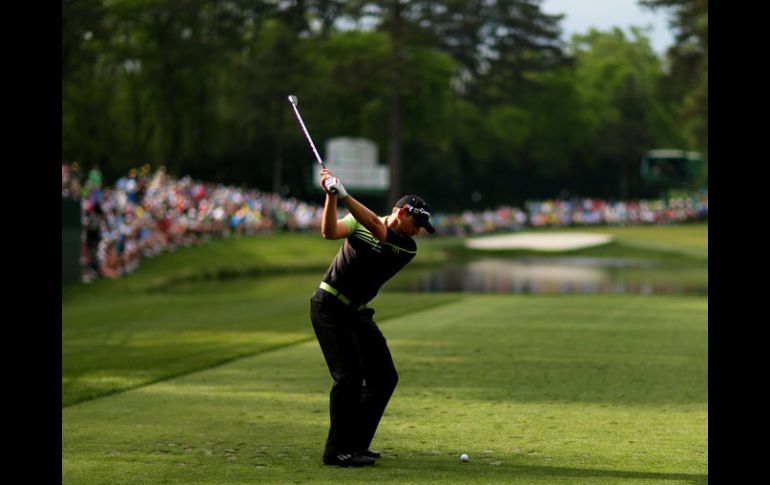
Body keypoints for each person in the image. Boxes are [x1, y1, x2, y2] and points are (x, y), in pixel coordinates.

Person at [310, 168, 435, 467]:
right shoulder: (359, 221)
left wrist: (344, 194)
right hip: (330, 306)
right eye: (417, 224)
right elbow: (329, 232)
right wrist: (331, 197)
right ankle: (336, 451)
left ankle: (355, 444)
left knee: (384, 377)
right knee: (349, 376)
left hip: (356, 312)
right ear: (402, 213)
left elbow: (378, 228)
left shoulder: (406, 247)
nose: (418, 231)